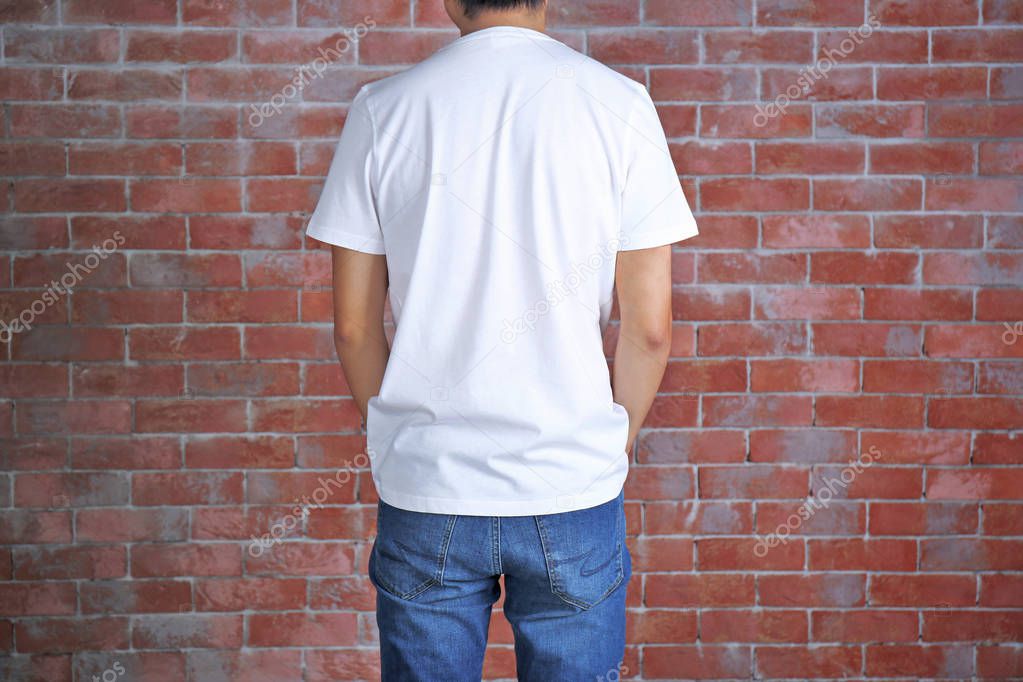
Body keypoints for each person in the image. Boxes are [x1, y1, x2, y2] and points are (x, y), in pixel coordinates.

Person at [305, 0, 699, 679]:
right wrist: (610, 442)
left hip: (429, 485)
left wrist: (398, 441)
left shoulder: (384, 109)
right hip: (570, 485)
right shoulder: (620, 105)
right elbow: (650, 329)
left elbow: (352, 326)